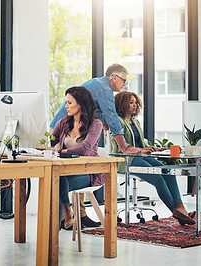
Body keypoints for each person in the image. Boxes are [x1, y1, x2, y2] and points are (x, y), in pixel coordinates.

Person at [50, 64, 140, 229]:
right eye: (124, 80)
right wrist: (124, 147)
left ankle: (69, 218)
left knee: (58, 177)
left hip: (83, 158)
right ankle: (69, 217)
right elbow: (112, 117)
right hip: (67, 129)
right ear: (114, 78)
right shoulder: (104, 89)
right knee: (57, 175)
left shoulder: (97, 87)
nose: (125, 85)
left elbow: (107, 117)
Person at [111, 91, 195, 225]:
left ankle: (180, 208)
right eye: (131, 102)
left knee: (168, 172)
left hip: (141, 155)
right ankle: (177, 212)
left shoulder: (135, 121)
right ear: (122, 104)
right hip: (127, 159)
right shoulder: (117, 121)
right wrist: (141, 150)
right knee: (158, 178)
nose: (134, 105)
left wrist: (155, 148)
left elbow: (142, 143)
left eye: (135, 102)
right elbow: (123, 146)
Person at [51, 86, 103, 229]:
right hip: (66, 172)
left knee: (56, 179)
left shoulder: (95, 124)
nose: (66, 106)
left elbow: (85, 149)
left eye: (69, 103)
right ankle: (67, 212)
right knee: (55, 177)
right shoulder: (63, 122)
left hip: (88, 173)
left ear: (80, 104)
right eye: (66, 102)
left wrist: (63, 151)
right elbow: (51, 142)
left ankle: (65, 216)